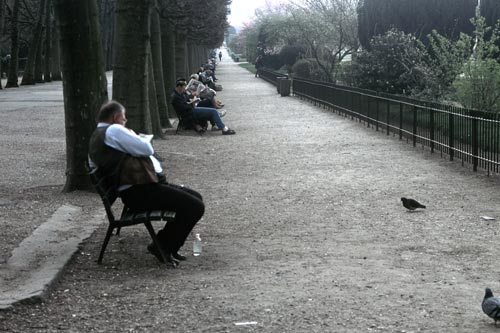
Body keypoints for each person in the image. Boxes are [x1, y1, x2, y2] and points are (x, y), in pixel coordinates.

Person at [88, 100, 205, 266]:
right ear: (115, 118)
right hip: (139, 192)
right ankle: (162, 246)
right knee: (195, 206)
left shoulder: (98, 134)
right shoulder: (113, 130)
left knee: (195, 198)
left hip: (137, 190)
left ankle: (167, 245)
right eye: (123, 119)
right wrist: (136, 136)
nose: (125, 123)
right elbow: (147, 148)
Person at [171, 78, 235, 134]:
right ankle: (224, 129)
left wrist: (191, 99)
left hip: (191, 110)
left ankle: (216, 124)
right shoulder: (176, 97)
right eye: (184, 87)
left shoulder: (178, 94)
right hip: (190, 112)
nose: (185, 88)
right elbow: (183, 107)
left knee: (210, 106)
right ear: (179, 86)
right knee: (213, 111)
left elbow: (185, 101)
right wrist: (192, 103)